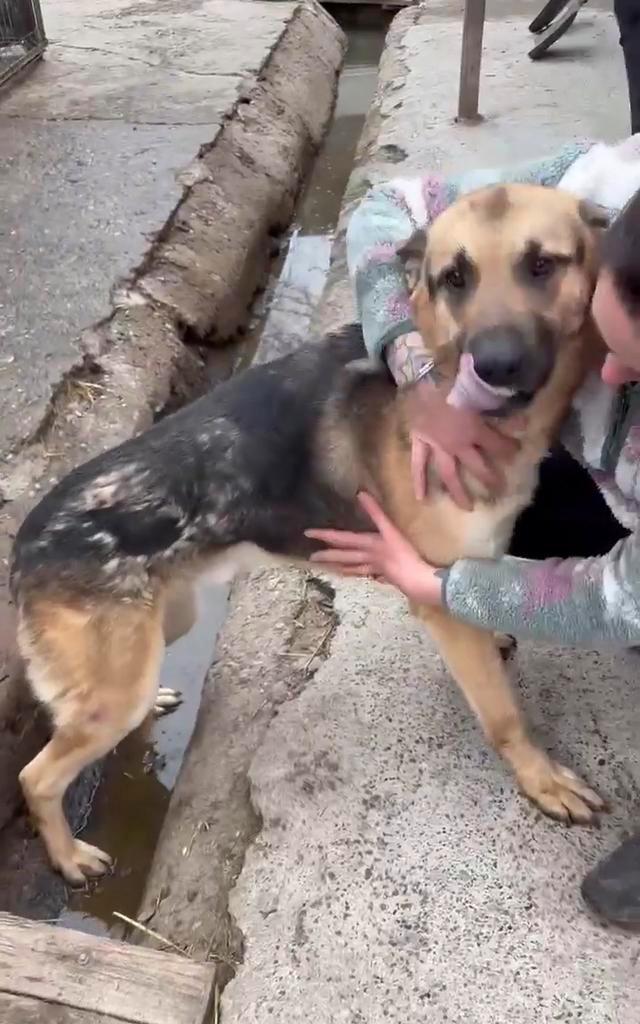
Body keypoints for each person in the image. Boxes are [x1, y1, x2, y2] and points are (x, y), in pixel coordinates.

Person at [305, 135, 640, 928]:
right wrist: (415, 370)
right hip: (610, 470)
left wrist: (443, 588)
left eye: (638, 363)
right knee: (477, 490)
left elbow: (616, 599)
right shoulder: (598, 184)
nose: (613, 371)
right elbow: (388, 209)